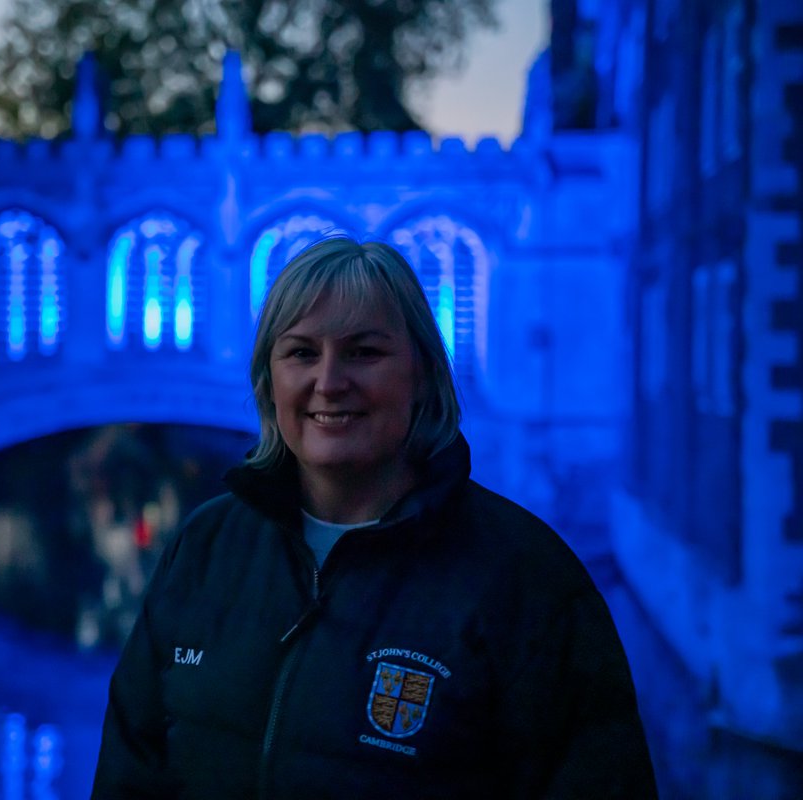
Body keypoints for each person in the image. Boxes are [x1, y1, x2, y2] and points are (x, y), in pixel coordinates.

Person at [91, 236, 657, 798]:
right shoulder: (206, 548)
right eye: (301, 353)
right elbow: (130, 771)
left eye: (364, 352)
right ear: (269, 382)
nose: (330, 383)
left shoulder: (526, 580)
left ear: (422, 376)